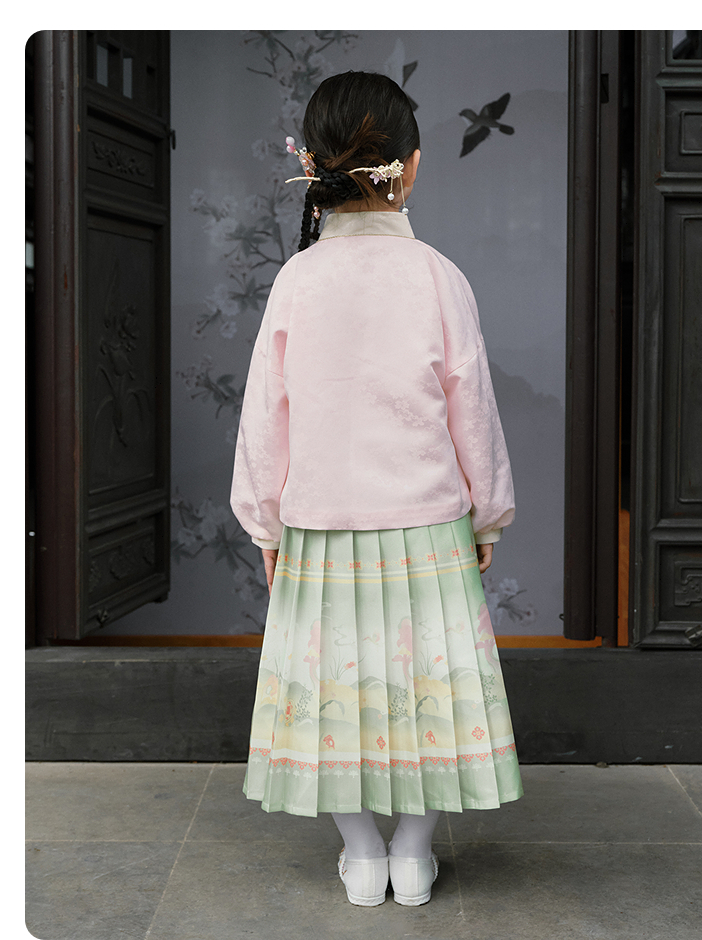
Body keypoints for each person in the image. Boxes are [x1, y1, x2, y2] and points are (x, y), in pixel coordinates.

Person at [230, 70, 523, 908]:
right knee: (432, 691)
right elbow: (473, 408)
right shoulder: (438, 276)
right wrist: (488, 512)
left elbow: (265, 417)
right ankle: (413, 852)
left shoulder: (297, 280)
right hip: (427, 525)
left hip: (321, 529)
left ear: (312, 166)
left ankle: (362, 854)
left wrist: (264, 523)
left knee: (332, 696)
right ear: (412, 165)